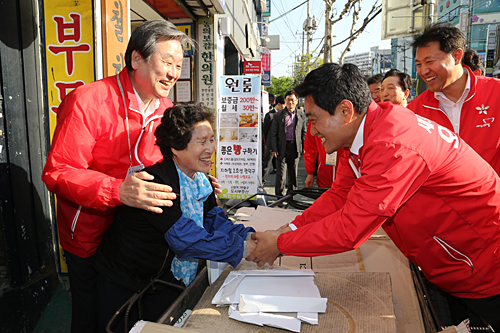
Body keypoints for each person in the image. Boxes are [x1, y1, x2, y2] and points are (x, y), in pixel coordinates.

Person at [247, 63, 500, 330]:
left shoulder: (391, 144)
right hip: (453, 259)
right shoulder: (365, 131)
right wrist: (289, 228)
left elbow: (350, 228)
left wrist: (281, 244)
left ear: (346, 110)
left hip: (482, 262)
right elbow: (341, 196)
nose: (312, 131)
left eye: (313, 120)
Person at [42, 20, 192, 333]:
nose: (174, 72)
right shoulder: (88, 100)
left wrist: (192, 178)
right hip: (89, 232)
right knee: (90, 314)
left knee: (127, 312)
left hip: (134, 237)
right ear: (137, 59)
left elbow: (167, 162)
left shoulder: (167, 109)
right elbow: (58, 172)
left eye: (178, 64)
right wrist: (117, 191)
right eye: (167, 62)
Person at [94, 103, 255, 333]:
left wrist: (255, 236)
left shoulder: (201, 181)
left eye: (212, 139)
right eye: (202, 142)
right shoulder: (155, 185)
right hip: (124, 281)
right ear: (177, 148)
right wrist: (246, 249)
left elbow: (216, 223)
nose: (211, 148)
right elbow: (188, 241)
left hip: (161, 279)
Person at [408, 22, 500, 177]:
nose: (423, 71)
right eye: (418, 64)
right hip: (443, 199)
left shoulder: (495, 93)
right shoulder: (414, 112)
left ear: (456, 56)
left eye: (429, 62)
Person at [269, 90, 308, 197]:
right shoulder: (279, 115)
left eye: (292, 100)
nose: (290, 103)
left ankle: (291, 195)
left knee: (293, 173)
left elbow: (304, 132)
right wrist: (274, 148)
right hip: (282, 147)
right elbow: (273, 133)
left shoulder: (301, 115)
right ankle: (279, 197)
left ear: (296, 102)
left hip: (295, 147)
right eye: (288, 100)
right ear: (285, 101)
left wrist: (304, 146)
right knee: (281, 175)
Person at [303, 121, 336, 188]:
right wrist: (310, 172)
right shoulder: (315, 119)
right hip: (324, 179)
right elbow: (310, 148)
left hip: (348, 182)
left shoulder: (348, 119)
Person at [262, 95, 283, 184]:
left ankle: (282, 182)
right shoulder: (269, 115)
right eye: (284, 104)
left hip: (281, 144)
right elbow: (265, 130)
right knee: (267, 163)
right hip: (270, 144)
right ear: (279, 104)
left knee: (281, 165)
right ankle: (262, 181)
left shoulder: (284, 114)